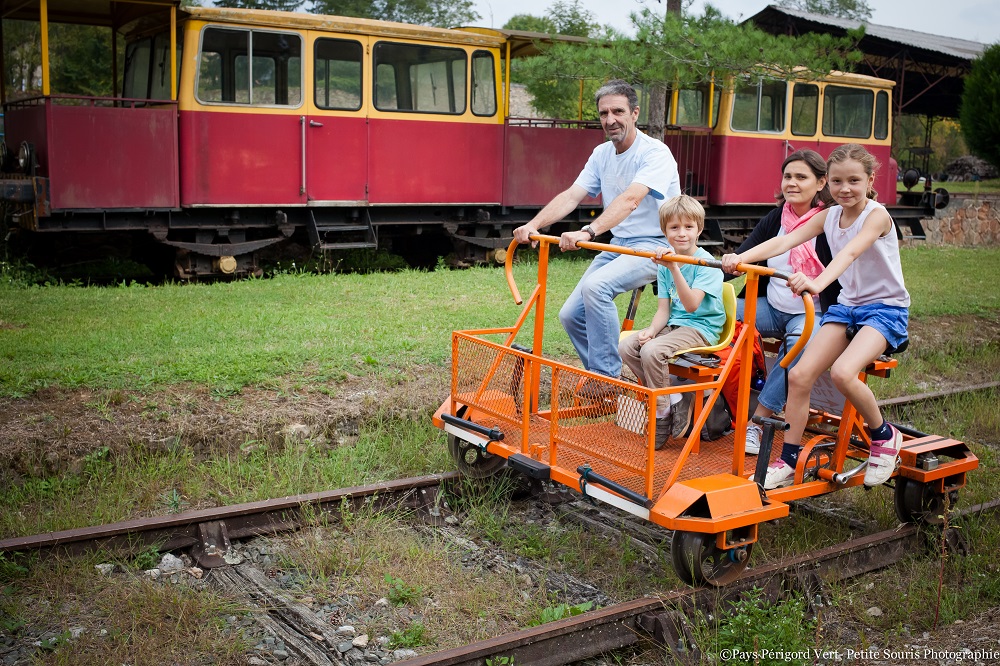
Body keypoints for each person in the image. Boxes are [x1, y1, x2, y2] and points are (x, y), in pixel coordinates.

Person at [722, 143, 909, 490]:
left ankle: (884, 435)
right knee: (799, 374)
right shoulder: (829, 216)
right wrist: (740, 258)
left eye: (854, 181)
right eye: (837, 181)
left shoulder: (877, 216)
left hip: (884, 309)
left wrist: (817, 282)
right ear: (828, 184)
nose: (844, 189)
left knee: (842, 373)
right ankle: (790, 459)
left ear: (870, 180)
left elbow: (850, 253)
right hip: (847, 308)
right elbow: (784, 242)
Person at [513, 79, 681, 381]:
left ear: (635, 114)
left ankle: (605, 378)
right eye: (604, 113)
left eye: (618, 111)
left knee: (597, 287)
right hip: (619, 244)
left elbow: (631, 199)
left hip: (656, 247)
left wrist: (589, 231)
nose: (610, 120)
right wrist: (534, 224)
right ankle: (604, 375)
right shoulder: (602, 154)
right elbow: (571, 195)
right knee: (570, 315)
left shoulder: (655, 153)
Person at [732, 149, 838, 456]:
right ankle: (700, 402)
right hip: (771, 307)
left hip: (813, 311)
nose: (792, 183)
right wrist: (705, 273)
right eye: (787, 176)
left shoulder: (830, 220)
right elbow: (745, 253)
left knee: (798, 346)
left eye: (801, 177)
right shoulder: (777, 217)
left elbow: (843, 270)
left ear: (821, 183)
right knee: (714, 312)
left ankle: (758, 421)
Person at [619, 195, 726, 449]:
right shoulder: (665, 264)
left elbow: (691, 306)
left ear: (699, 229)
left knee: (652, 351)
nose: (682, 234)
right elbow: (663, 311)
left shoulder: (707, 264)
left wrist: (674, 268)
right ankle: (673, 399)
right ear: (664, 231)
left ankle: (660, 412)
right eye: (674, 227)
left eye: (688, 227)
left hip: (701, 328)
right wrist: (651, 330)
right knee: (627, 346)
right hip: (675, 325)